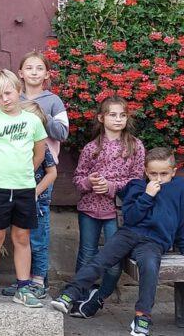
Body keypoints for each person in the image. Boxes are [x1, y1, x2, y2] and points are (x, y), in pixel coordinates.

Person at [52, 148, 183, 336]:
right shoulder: (137, 186)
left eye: (164, 173)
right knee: (101, 259)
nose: (158, 178)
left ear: (173, 171)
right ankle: (69, 294)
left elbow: (182, 222)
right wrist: (147, 196)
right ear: (146, 171)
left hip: (154, 243)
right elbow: (131, 218)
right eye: (153, 173)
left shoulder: (179, 189)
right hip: (129, 234)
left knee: (150, 266)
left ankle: (142, 316)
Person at [0, 69, 48, 309]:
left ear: (18, 90)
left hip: (24, 188)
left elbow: (40, 153)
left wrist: (23, 173)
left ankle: (23, 288)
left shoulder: (32, 120)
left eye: (9, 93)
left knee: (22, 237)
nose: (5, 99)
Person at [69, 96, 146, 317]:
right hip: (89, 208)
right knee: (86, 254)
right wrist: (90, 182)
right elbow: (78, 178)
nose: (118, 119)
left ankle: (99, 297)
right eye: (112, 114)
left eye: (122, 115)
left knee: (114, 261)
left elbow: (137, 180)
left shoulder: (135, 146)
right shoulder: (91, 148)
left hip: (117, 211)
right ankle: (80, 296)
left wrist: (111, 186)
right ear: (101, 118)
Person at [0, 100, 57, 300]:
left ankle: (39, 281)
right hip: (17, 201)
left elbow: (52, 173)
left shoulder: (42, 148)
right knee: (21, 240)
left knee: (38, 242)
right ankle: (24, 280)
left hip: (37, 204)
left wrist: (36, 192)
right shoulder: (13, 149)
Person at [19, 51, 69, 163]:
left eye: (40, 68)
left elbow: (62, 134)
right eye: (29, 68)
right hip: (18, 161)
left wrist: (43, 117)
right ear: (21, 73)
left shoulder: (54, 101)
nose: (34, 72)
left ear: (47, 74)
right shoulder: (15, 100)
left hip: (45, 164)